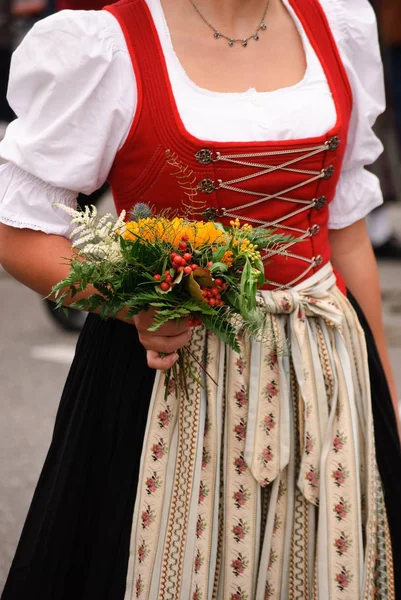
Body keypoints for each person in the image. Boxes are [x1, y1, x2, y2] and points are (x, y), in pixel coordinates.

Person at [0, 0, 400, 598]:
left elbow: (346, 237)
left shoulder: (337, 27)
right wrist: (131, 301)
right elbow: (19, 232)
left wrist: (384, 407)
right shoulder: (111, 45)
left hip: (328, 378)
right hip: (171, 381)